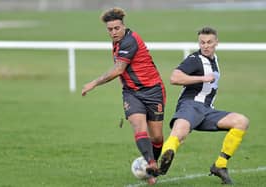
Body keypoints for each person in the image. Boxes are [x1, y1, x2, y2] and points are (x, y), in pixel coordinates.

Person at [81, 7, 166, 185]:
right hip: (132, 93)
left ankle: (152, 163)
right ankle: (150, 165)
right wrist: (126, 88)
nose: (113, 32)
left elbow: (118, 69)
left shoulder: (130, 41)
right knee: (138, 125)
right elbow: (123, 71)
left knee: (157, 137)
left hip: (153, 91)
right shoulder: (117, 42)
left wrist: (94, 83)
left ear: (123, 26)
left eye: (116, 28)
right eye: (110, 29)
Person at [158, 27, 249, 184]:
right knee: (180, 133)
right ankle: (164, 162)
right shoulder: (195, 59)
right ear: (198, 43)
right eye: (202, 43)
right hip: (190, 105)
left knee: (241, 121)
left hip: (207, 111)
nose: (205, 46)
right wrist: (201, 78)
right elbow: (174, 77)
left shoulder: (215, 60)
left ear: (216, 43)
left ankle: (220, 165)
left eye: (209, 42)